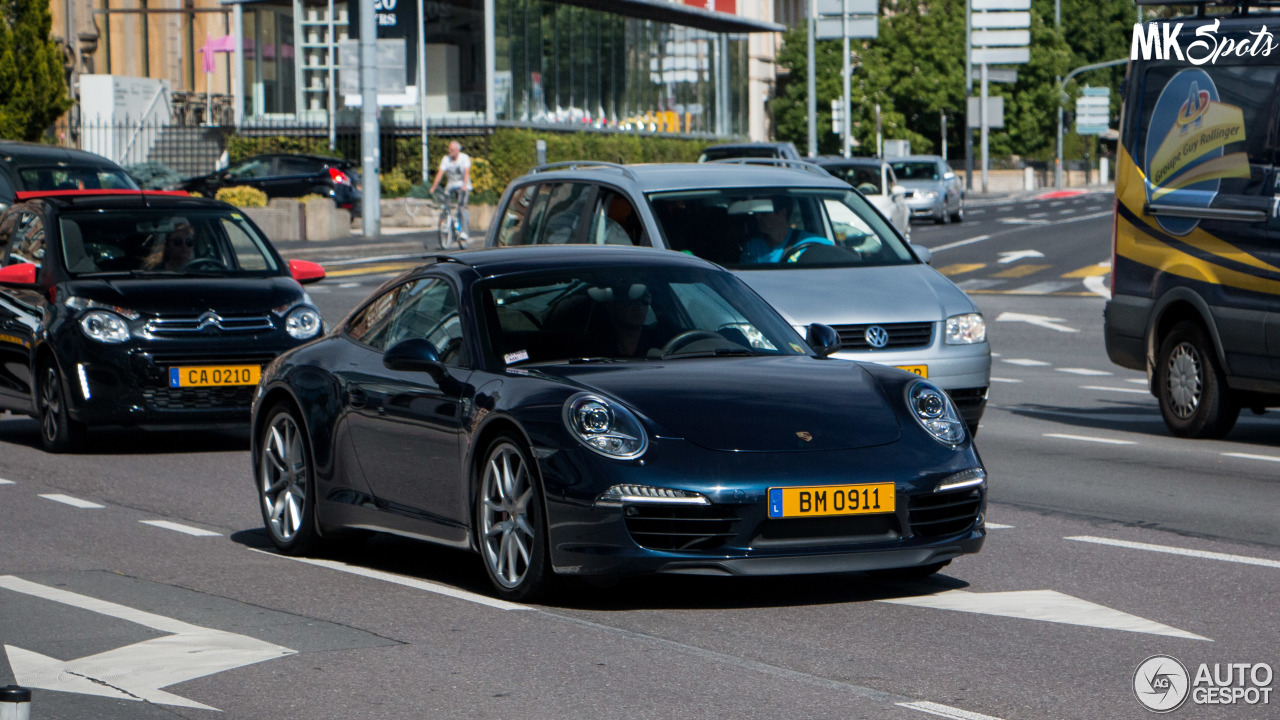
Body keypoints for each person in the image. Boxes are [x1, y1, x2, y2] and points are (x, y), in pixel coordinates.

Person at [738, 199, 832, 265]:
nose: (757, 217)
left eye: (764, 213)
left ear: (782, 213)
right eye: (756, 213)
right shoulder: (753, 247)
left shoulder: (813, 242)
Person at [428, 141, 473, 242]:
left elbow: (466, 173)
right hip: (451, 187)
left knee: (461, 208)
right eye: (449, 149)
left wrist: (465, 186)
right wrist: (433, 187)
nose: (450, 151)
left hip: (463, 187)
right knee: (445, 206)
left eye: (452, 150)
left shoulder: (464, 158)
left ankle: (464, 232)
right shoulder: (446, 159)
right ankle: (447, 223)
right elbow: (440, 174)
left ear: (458, 150)